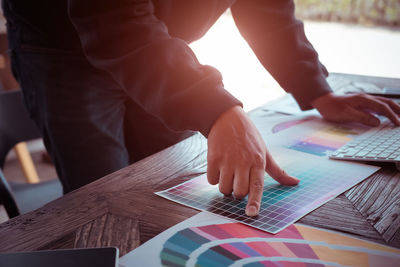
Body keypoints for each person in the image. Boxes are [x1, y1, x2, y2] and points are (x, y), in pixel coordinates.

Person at [2, 0, 400, 217]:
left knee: (172, 191)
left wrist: (315, 88)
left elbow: (266, 7)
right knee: (104, 205)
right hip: (62, 47)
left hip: (162, 47)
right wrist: (216, 108)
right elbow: (113, 21)